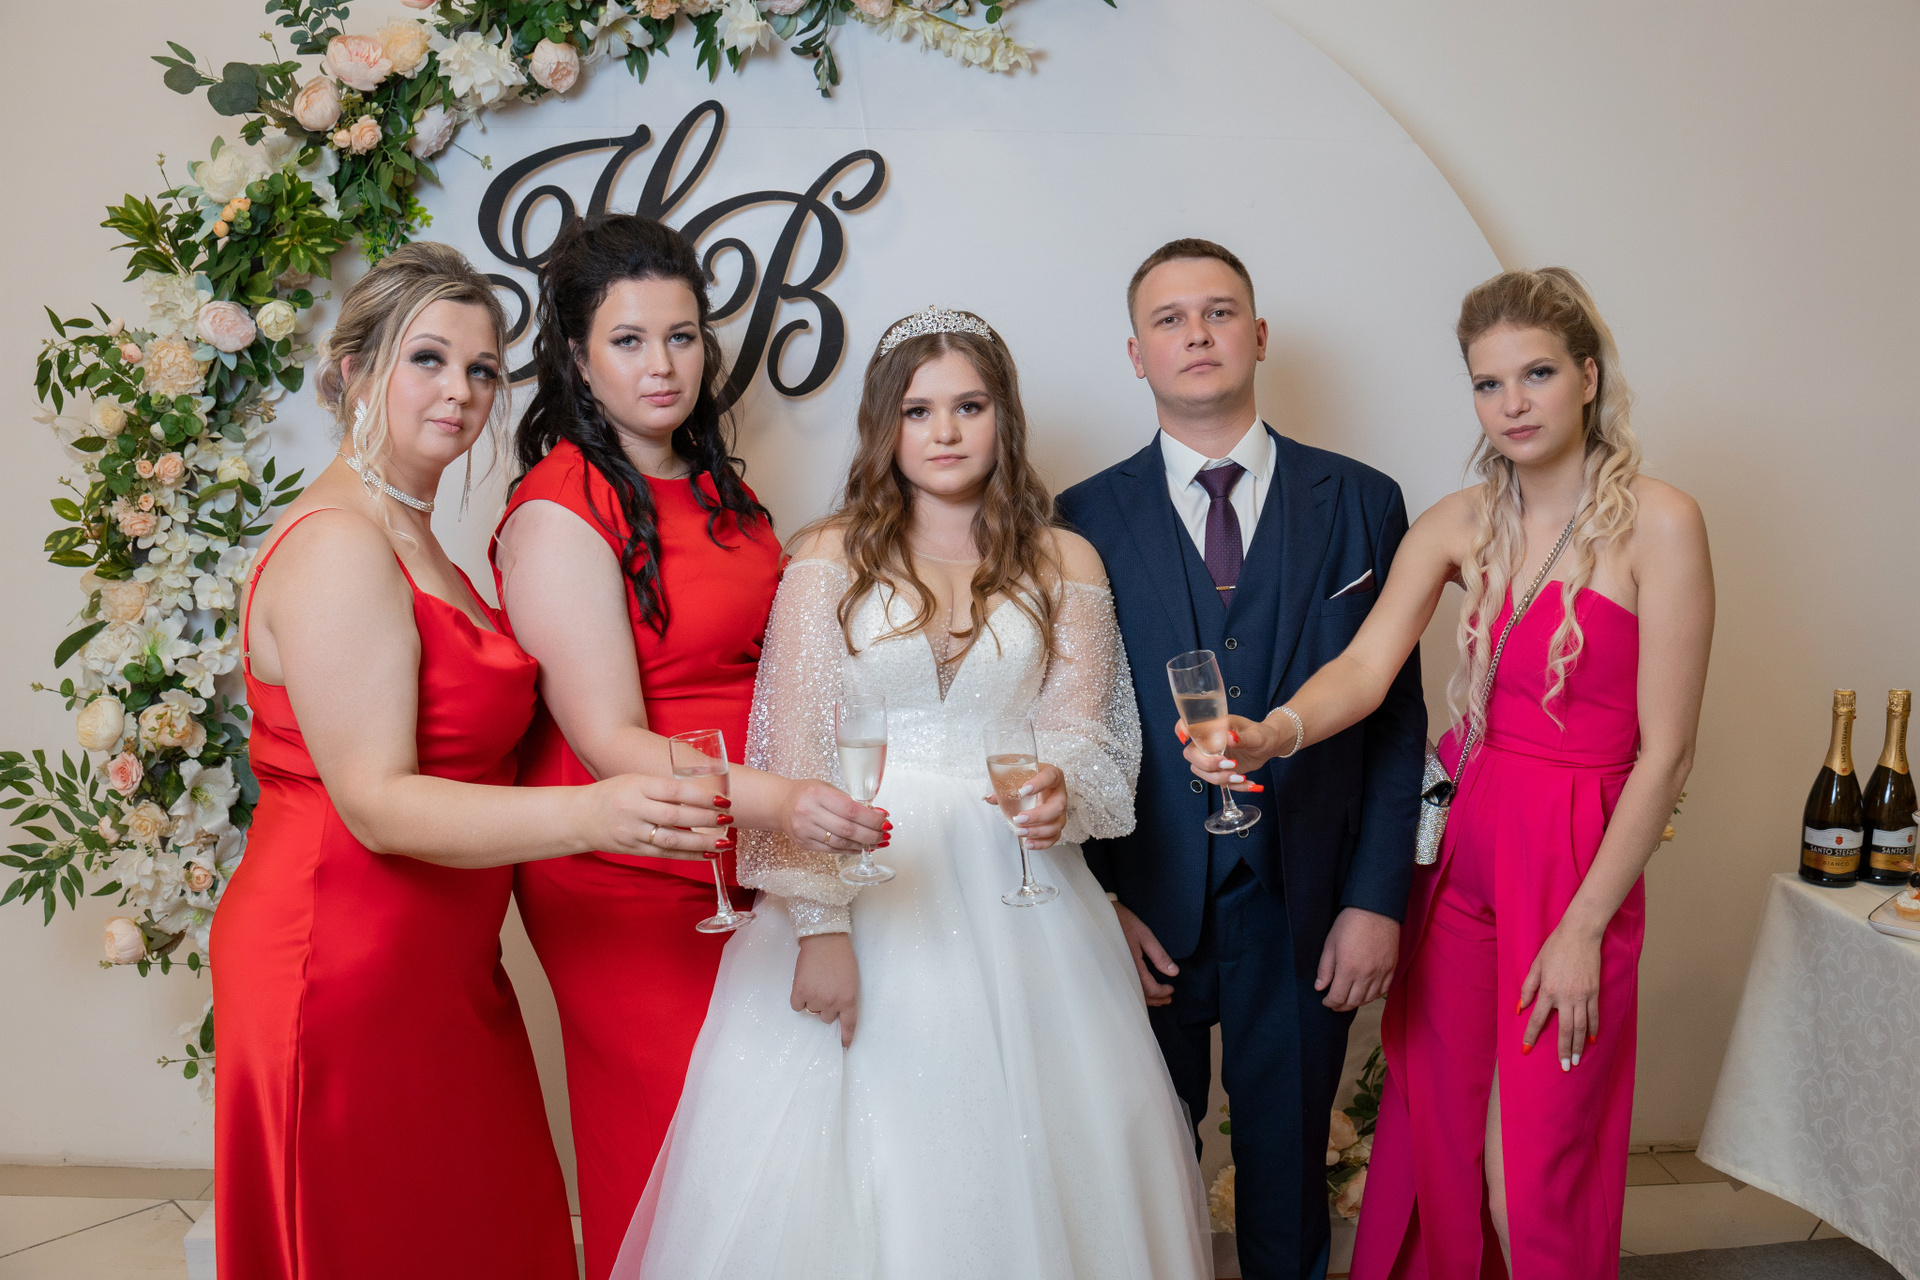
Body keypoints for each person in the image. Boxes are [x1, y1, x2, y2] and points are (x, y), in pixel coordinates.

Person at [611, 307, 1211, 1279]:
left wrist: (1061, 790)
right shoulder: (826, 555)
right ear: (884, 425)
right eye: (918, 409)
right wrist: (821, 928)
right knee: (872, 1159)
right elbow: (796, 750)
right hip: (863, 870)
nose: (945, 431)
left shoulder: (1066, 561)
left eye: (969, 406)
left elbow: (1092, 743)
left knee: (1039, 1161)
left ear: (1003, 417)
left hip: (1026, 898)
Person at [1183, 268, 1713, 1278]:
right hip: (1464, 845)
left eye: (1538, 373)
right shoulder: (1459, 520)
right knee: (1443, 1139)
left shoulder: (1662, 522)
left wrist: (1584, 927)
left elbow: (1668, 751)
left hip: (1574, 858)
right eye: (1488, 383)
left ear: (1589, 376)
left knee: (1530, 1175)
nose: (1513, 403)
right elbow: (1365, 669)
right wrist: (1274, 733)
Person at [213, 242, 728, 1280]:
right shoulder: (338, 545)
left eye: (483, 368)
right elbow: (377, 803)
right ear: (355, 371)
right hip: (340, 961)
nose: (460, 390)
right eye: (428, 359)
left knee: (483, 1232)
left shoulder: (419, 540)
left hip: (441, 962)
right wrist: (594, 814)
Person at [489, 213, 888, 1280]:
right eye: (628, 341)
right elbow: (608, 741)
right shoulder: (559, 506)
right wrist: (785, 802)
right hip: (635, 862)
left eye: (680, 336)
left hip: (743, 841)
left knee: (762, 1147)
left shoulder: (716, 484)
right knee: (674, 1145)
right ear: (578, 358)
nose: (661, 365)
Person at [1055, 238, 1426, 1280]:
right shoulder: (1079, 517)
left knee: (1288, 1177)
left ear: (1257, 336)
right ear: (1137, 354)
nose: (1198, 334)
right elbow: (1066, 727)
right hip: (1146, 909)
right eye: (1169, 319)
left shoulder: (1363, 500)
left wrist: (1376, 900)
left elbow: (1396, 719)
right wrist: (1099, 905)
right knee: (1140, 1180)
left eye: (1219, 312)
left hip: (1308, 904)